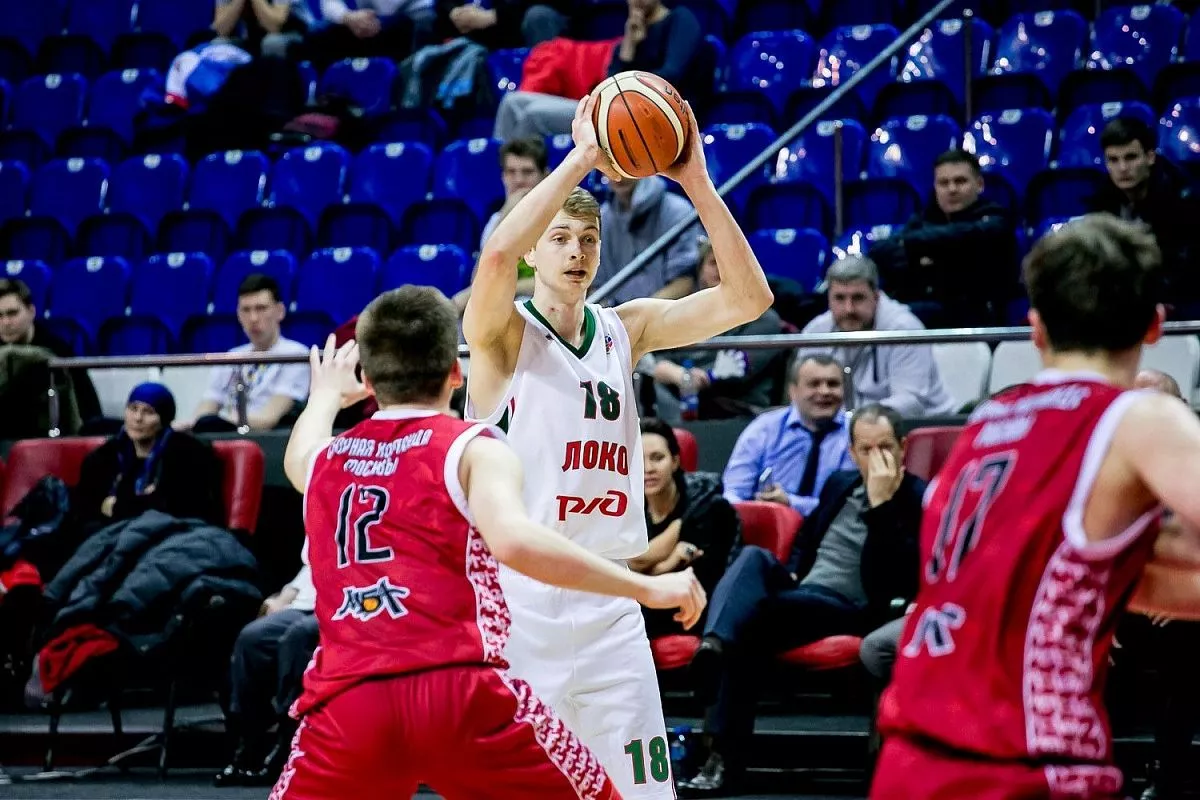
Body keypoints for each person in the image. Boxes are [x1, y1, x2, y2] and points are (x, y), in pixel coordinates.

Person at [272, 287, 706, 799]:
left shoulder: (325, 461)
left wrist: (325, 394)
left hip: (350, 698)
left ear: (366, 381)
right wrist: (645, 587)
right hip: (457, 691)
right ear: (455, 374)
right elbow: (516, 541)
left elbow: (300, 450)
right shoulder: (470, 448)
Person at [462, 91, 772, 797]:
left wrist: (695, 180)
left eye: (588, 240)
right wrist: (583, 157)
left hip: (610, 598)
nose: (576, 252)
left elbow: (748, 300)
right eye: (560, 239)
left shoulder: (624, 329)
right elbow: (497, 253)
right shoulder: (500, 334)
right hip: (522, 602)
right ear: (535, 251)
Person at [871, 213, 1200, 799]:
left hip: (908, 760)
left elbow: (1052, 569)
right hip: (1020, 763)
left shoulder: (983, 425)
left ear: (1036, 329)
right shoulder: (1135, 417)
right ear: (1155, 326)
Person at [635, 418, 737, 637]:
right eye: (637, 460)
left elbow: (700, 579)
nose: (648, 468)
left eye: (657, 458)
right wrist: (670, 561)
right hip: (648, 602)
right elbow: (628, 563)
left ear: (675, 461)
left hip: (696, 608)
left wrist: (646, 572)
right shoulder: (629, 510)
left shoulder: (705, 506)